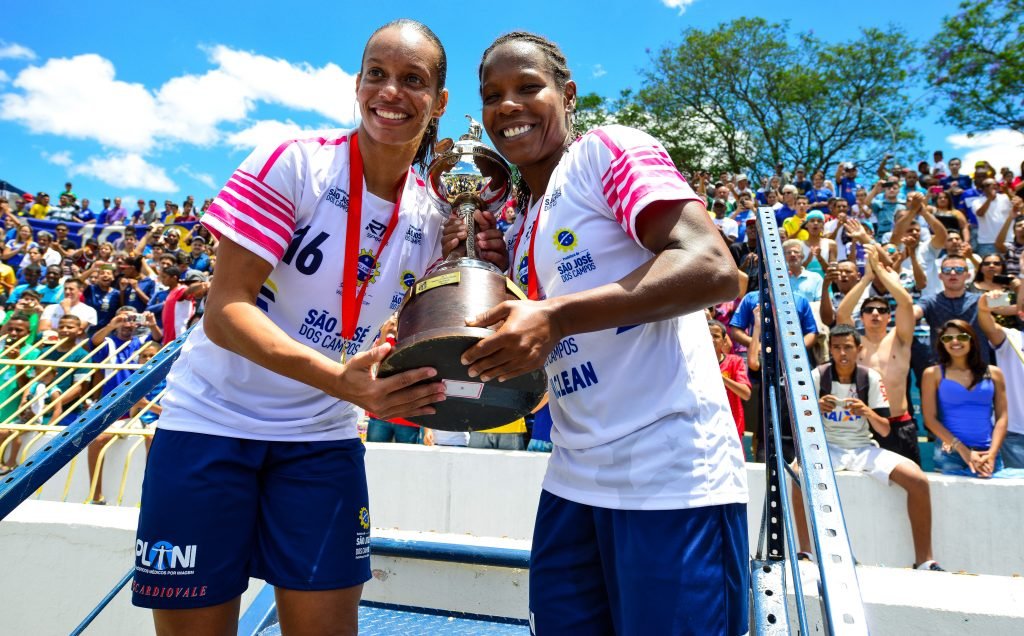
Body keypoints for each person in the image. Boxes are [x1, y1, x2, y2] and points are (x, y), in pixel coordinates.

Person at [131, 20, 451, 635]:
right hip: (211, 423)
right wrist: (343, 380)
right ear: (357, 85)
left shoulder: (436, 215)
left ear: (438, 103)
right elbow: (225, 310)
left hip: (321, 441)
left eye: (413, 80)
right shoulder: (295, 162)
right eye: (377, 75)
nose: (391, 92)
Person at [460, 32, 748, 635]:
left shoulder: (605, 152)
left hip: (670, 478)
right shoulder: (525, 219)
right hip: (572, 479)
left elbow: (715, 268)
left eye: (527, 87)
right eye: (492, 96)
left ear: (567, 94)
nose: (508, 106)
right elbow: (550, 357)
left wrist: (555, 316)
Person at [791, 325, 942, 571]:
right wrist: (815, 409)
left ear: (859, 349)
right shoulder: (818, 376)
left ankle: (925, 560)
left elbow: (884, 430)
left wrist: (866, 411)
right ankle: (805, 551)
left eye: (848, 347)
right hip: (826, 447)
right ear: (830, 349)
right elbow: (797, 423)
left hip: (862, 447)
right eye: (837, 347)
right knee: (796, 474)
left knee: (917, 479)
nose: (842, 353)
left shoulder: (870, 377)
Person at [837, 246, 920, 464]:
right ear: (862, 317)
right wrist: (866, 279)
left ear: (888, 317)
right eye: (869, 310)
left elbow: (906, 302)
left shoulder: (900, 339)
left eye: (882, 311)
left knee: (909, 485)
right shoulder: (855, 343)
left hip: (900, 423)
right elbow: (843, 313)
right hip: (865, 425)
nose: (875, 313)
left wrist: (882, 274)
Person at [921, 320, 1009, 478]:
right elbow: (929, 419)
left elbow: (1002, 416)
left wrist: (992, 453)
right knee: (950, 503)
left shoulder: (994, 373)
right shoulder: (932, 374)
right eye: (947, 338)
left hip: (987, 454)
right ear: (942, 344)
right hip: (951, 454)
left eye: (961, 336)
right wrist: (964, 451)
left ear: (972, 339)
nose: (955, 342)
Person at [975, 292, 1024, 468]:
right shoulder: (1011, 338)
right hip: (1016, 435)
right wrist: (983, 308)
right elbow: (989, 327)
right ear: (1021, 315)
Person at [709, 320, 750, 439]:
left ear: (724, 340)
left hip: (731, 429)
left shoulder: (735, 361)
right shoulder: (693, 363)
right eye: (707, 335)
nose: (711, 339)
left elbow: (746, 394)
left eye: (716, 336)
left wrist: (721, 378)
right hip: (706, 427)